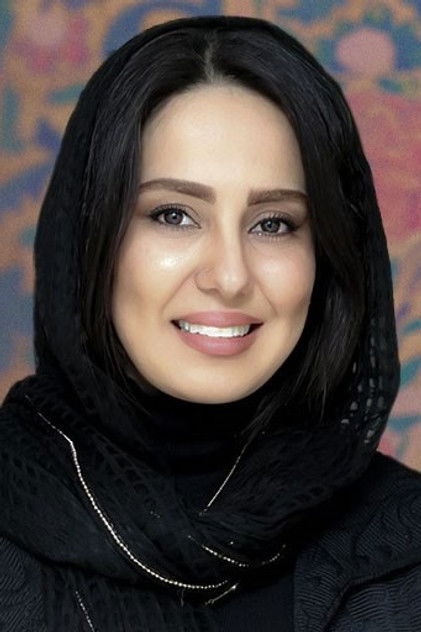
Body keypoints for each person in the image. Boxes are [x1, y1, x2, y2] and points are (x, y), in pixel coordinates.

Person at [0, 13, 420, 631]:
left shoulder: (402, 552)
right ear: (89, 239)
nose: (229, 275)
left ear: (329, 254)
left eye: (273, 223)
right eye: (173, 215)